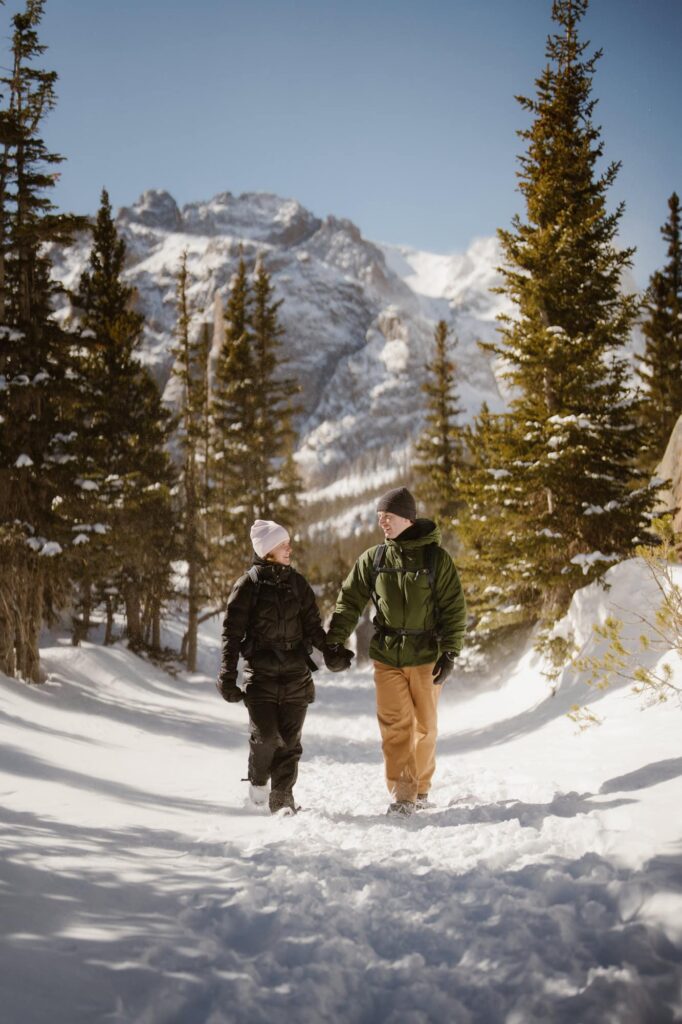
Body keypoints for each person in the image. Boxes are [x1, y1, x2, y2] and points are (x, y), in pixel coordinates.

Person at [326, 487, 466, 816]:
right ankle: (403, 794)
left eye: (387, 517)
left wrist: (449, 652)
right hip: (387, 654)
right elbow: (349, 602)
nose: (382, 523)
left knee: (425, 727)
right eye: (379, 518)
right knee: (394, 725)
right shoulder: (373, 559)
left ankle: (422, 788)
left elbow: (454, 608)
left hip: (425, 654)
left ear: (407, 518)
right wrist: (335, 642)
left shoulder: (436, 560)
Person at [216, 518, 352, 815]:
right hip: (261, 677)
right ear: (267, 550)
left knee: (290, 743)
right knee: (266, 737)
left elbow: (314, 629)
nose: (290, 548)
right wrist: (226, 676)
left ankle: (282, 799)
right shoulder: (247, 586)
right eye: (283, 544)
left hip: (296, 675)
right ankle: (258, 779)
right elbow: (232, 634)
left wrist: (333, 653)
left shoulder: (298, 584)